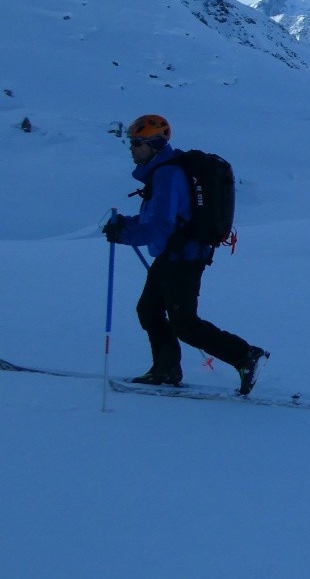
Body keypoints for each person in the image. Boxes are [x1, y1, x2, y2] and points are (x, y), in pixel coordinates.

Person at [103, 114, 267, 395]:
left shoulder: (166, 174)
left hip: (182, 257)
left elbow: (161, 225)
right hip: (174, 254)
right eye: (132, 143)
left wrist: (125, 234)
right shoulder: (162, 171)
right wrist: (125, 226)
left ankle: (245, 355)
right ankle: (165, 370)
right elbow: (158, 219)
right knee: (149, 310)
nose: (132, 148)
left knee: (185, 324)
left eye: (137, 143)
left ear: (154, 144)